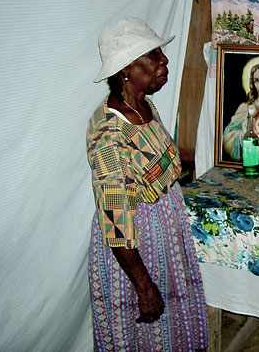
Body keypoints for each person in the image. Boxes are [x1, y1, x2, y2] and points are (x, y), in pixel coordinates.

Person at [86, 18, 208, 351]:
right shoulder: (108, 133)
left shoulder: (145, 106)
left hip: (164, 231)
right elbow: (115, 217)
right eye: (154, 55)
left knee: (173, 325)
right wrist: (143, 285)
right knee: (145, 330)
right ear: (125, 69)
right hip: (136, 246)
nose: (164, 60)